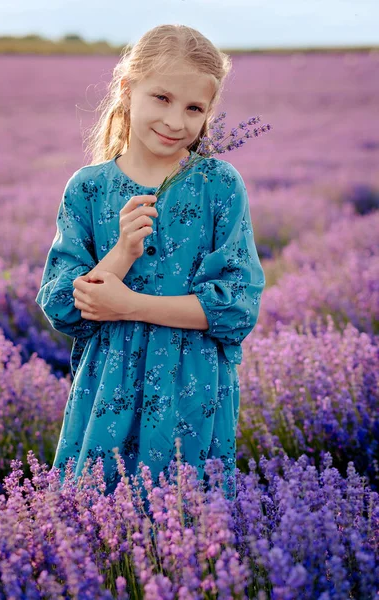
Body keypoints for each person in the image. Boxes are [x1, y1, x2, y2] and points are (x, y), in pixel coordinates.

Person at [35, 23, 266, 504]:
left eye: (194, 108)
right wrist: (119, 255)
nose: (175, 121)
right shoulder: (89, 188)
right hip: (105, 393)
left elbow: (238, 307)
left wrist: (129, 304)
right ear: (126, 90)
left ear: (208, 114)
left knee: (186, 525)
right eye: (161, 98)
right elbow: (62, 306)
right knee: (97, 525)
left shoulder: (219, 185)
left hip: (193, 390)